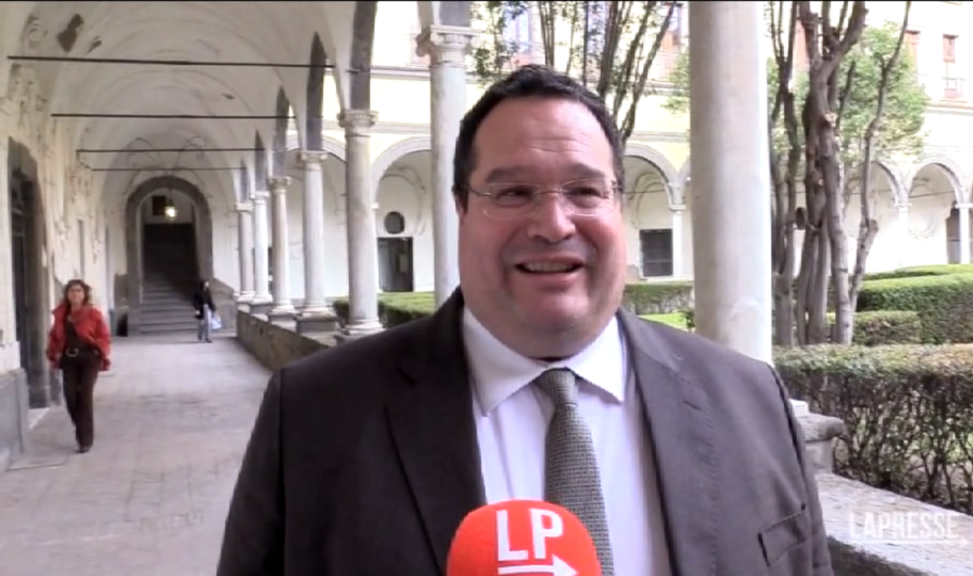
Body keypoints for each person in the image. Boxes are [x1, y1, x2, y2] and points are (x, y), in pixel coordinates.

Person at [217, 65, 833, 575]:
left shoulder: (750, 399)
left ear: (618, 205)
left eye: (585, 191)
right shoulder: (315, 415)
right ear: (461, 209)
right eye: (512, 193)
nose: (553, 224)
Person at [45, 279, 112, 453]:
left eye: (79, 291)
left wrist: (99, 351)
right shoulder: (61, 315)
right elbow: (54, 337)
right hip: (69, 359)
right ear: (67, 294)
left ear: (84, 294)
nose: (75, 294)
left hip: (88, 358)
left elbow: (104, 336)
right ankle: (82, 427)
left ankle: (85, 440)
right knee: (70, 397)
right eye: (71, 291)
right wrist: (54, 353)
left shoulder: (93, 314)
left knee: (85, 395)